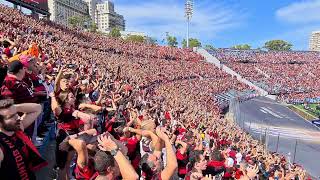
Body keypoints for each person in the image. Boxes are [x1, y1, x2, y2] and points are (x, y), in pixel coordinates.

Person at [0, 98, 47, 180]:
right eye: (11, 116)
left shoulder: (17, 129)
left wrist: (13, 107)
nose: (18, 118)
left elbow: (37, 108)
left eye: (16, 114)